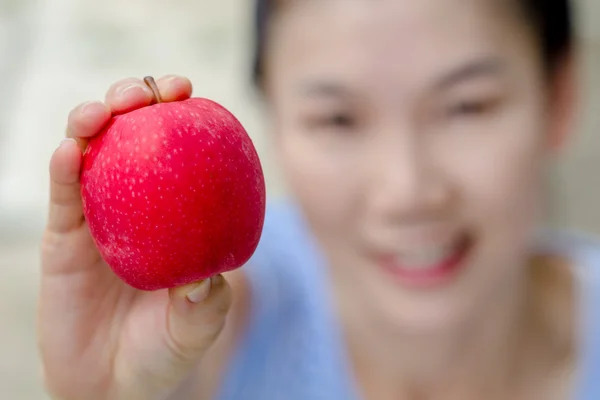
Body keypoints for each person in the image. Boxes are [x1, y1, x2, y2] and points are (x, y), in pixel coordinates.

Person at [38, 0, 600, 399]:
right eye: (337, 118)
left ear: (559, 97)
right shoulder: (217, 326)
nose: (406, 192)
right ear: (272, 118)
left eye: (466, 107)